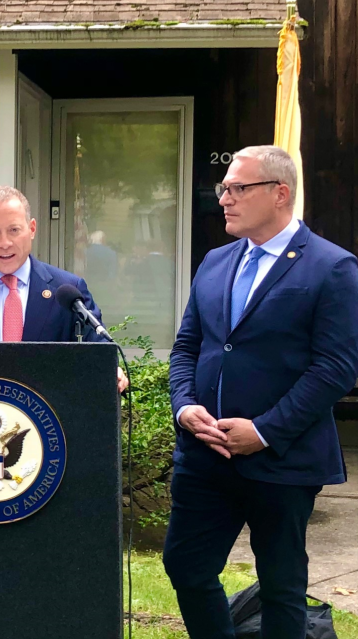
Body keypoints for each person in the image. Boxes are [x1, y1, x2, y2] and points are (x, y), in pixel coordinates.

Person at [163, 146, 358, 639]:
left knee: (281, 586)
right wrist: (185, 406)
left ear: (280, 193)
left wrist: (265, 431)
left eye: (237, 188)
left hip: (282, 460)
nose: (223, 198)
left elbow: (336, 368)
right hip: (204, 454)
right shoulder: (215, 261)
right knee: (186, 568)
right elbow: (188, 345)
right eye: (223, 188)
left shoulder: (333, 268)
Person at [0, 186, 129, 391]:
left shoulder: (68, 290)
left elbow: (97, 348)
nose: (5, 243)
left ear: (31, 229)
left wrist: (110, 369)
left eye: (14, 230)